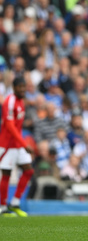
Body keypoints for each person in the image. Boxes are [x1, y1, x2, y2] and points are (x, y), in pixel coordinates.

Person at [0, 77, 34, 217]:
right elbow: (9, 125)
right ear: (14, 88)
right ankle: (2, 208)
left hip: (18, 144)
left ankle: (14, 203)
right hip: (7, 145)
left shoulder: (21, 102)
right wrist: (24, 143)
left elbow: (18, 127)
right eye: (19, 87)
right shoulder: (10, 101)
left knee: (28, 171)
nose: (22, 89)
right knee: (6, 174)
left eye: (23, 86)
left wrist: (21, 143)